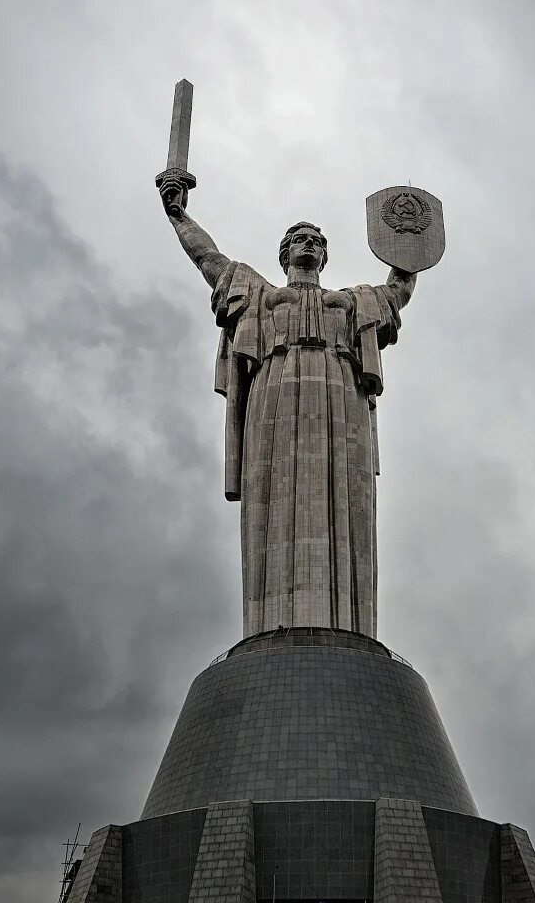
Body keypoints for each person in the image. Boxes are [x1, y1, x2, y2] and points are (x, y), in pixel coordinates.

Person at [160, 174, 417, 638]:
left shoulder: (352, 301)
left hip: (341, 397)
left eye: (316, 240)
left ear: (324, 255)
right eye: (298, 238)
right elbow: (208, 260)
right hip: (274, 394)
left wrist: (409, 254)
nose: (308, 244)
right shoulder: (259, 295)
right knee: (272, 492)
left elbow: (396, 292)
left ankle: (347, 625)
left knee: (346, 494)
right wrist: (180, 216)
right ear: (284, 255)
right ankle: (269, 626)